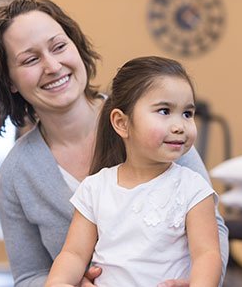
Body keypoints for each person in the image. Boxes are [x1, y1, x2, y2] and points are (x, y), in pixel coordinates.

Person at [0, 0, 229, 287]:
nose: (53, 66)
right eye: (31, 59)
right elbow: (30, 275)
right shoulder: (17, 174)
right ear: (10, 81)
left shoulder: (156, 128)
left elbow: (211, 236)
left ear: (76, 48)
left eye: (59, 47)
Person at [45, 56, 221, 287]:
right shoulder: (95, 188)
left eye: (187, 114)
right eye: (165, 111)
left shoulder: (193, 188)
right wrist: (59, 282)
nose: (180, 126)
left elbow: (207, 254)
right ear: (121, 123)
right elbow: (74, 254)